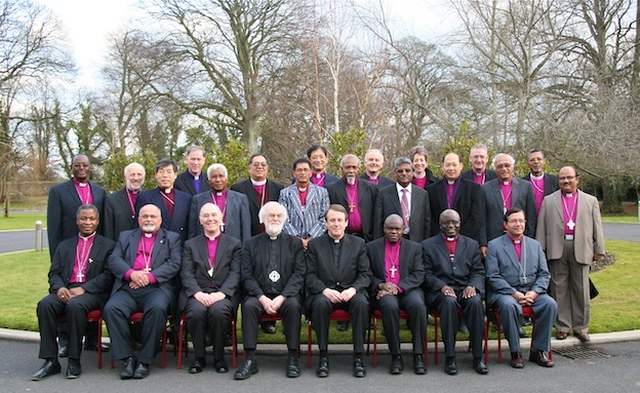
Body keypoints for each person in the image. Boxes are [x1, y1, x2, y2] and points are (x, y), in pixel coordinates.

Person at [31, 204, 115, 381]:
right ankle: (50, 360)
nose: (87, 222)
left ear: (97, 221)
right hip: (66, 289)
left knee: (75, 306)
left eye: (91, 219)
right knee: (45, 305)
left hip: (92, 292)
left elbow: (108, 276)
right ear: (77, 221)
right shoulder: (64, 245)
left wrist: (84, 288)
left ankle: (74, 360)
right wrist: (60, 288)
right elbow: (54, 273)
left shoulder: (108, 246)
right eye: (83, 218)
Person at [103, 204, 182, 379]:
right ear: (138, 220)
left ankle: (145, 361)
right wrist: (131, 274)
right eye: (145, 216)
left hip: (156, 289)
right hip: (129, 287)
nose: (149, 219)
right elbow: (114, 260)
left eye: (153, 216)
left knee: (157, 310)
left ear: (160, 220)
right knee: (111, 309)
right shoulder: (125, 237)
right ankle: (128, 358)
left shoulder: (172, 238)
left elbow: (174, 264)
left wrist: (149, 277)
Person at [234, 202, 305, 380]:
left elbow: (299, 274)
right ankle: (250, 359)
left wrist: (282, 297)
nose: (275, 219)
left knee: (294, 305)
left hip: (285, 294)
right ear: (262, 219)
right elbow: (246, 275)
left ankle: (292, 357)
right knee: (249, 306)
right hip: (259, 294)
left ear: (284, 219)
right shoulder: (250, 244)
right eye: (270, 215)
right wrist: (261, 297)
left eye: (278, 216)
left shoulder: (295, 243)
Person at [46, 154, 107, 356]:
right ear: (71, 168)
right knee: (65, 298)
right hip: (68, 250)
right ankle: (65, 341)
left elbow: (102, 224)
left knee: (87, 296)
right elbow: (54, 227)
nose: (81, 168)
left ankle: (91, 340)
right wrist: (57, 256)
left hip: (93, 252)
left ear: (90, 168)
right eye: (77, 165)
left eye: (85, 165)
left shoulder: (99, 192)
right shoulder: (58, 191)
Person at [536, 166, 604, 342]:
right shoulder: (549, 201)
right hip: (557, 248)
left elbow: (598, 227)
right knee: (559, 289)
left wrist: (599, 250)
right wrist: (540, 249)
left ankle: (581, 327)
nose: (566, 181)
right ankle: (562, 326)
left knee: (581, 289)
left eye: (569, 178)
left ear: (577, 179)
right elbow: (541, 227)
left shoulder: (590, 201)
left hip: (581, 247)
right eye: (562, 178)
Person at [485, 208, 557, 368]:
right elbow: (493, 276)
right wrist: (515, 294)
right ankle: (515, 352)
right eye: (513, 221)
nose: (518, 224)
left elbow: (544, 274)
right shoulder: (495, 245)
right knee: (509, 305)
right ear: (505, 224)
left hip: (532, 292)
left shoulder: (535, 245)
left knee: (550, 304)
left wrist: (535, 292)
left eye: (521, 221)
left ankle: (538, 351)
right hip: (505, 293)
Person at [305, 204, 371, 378]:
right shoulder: (315, 245)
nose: (336, 224)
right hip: (325, 293)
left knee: (361, 303)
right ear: (326, 223)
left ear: (346, 223)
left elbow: (365, 274)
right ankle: (323, 356)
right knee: (319, 304)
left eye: (339, 220)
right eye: (332, 220)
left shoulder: (359, 244)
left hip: (350, 292)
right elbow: (310, 275)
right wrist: (324, 290)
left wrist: (353, 289)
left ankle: (358, 357)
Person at [422, 209, 488, 375]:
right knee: (449, 303)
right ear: (440, 225)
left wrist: (472, 286)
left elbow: (479, 271)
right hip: (440, 292)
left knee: (475, 303)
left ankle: (478, 356)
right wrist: (441, 286)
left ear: (460, 224)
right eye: (447, 222)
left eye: (454, 222)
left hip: (465, 288)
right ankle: (450, 356)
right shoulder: (428, 245)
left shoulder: (472, 244)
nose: (451, 226)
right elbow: (425, 273)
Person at [180, 203, 242, 375]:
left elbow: (236, 273)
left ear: (221, 217)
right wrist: (198, 293)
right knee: (196, 312)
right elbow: (186, 273)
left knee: (218, 312)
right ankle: (199, 357)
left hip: (223, 294)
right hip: (197, 293)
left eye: (214, 215)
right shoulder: (190, 244)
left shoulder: (234, 244)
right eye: (206, 216)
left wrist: (221, 294)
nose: (210, 219)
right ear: (200, 220)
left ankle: (219, 357)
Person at [230, 154, 285, 334]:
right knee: (253, 277)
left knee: (273, 277)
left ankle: (270, 321)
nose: (260, 167)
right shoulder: (238, 188)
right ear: (249, 168)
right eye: (256, 164)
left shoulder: (278, 189)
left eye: (263, 164)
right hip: (251, 241)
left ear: (268, 168)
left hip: (274, 240)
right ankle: (255, 315)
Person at [367, 214, 426, 375]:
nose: (393, 232)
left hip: (407, 289)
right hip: (383, 291)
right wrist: (380, 285)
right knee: (389, 305)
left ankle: (418, 355)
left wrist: (398, 288)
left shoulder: (415, 248)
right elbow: (366, 273)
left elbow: (419, 274)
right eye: (390, 228)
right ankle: (396, 355)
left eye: (397, 229)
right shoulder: (371, 247)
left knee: (418, 305)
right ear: (384, 229)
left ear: (404, 230)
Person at [480, 153, 537, 258]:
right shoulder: (485, 188)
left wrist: (530, 239)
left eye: (507, 165)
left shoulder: (526, 186)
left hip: (520, 237)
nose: (504, 169)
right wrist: (483, 243)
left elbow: (531, 216)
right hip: (494, 238)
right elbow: (481, 218)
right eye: (499, 166)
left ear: (513, 167)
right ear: (495, 169)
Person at [426, 152, 484, 242]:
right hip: (439, 240)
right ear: (442, 167)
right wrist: (441, 235)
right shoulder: (431, 189)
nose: (451, 168)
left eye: (454, 165)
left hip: (466, 240)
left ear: (461, 166)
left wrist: (459, 237)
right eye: (447, 165)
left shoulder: (473, 188)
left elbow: (475, 217)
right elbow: (431, 217)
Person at [188, 163, 251, 242]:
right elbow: (192, 230)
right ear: (209, 181)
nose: (218, 180)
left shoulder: (240, 199)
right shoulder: (198, 200)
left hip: (234, 248)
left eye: (221, 176)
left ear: (226, 179)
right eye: (214, 177)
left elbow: (246, 230)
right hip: (205, 246)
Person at [374, 157, 431, 242]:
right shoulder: (383, 194)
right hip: (390, 242)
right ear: (395, 173)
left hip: (416, 242)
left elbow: (427, 223)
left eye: (407, 170)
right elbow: (378, 222)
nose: (404, 174)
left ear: (412, 172)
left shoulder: (422, 194)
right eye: (400, 171)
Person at [279, 158, 330, 251]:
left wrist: (311, 238)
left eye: (305, 170)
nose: (302, 173)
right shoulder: (285, 193)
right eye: (299, 170)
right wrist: (298, 239)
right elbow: (283, 218)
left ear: (311, 173)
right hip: (292, 243)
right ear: (294, 173)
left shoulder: (322, 192)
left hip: (316, 242)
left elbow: (325, 217)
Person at [136, 158, 192, 243]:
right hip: (154, 245)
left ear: (175, 175)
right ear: (156, 175)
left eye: (169, 171)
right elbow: (138, 225)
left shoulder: (186, 198)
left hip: (179, 245)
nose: (165, 175)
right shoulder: (145, 197)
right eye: (161, 172)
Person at [326, 154, 378, 242]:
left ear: (359, 169)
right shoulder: (331, 189)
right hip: (342, 237)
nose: (351, 171)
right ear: (342, 169)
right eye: (348, 167)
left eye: (354, 167)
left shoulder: (371, 188)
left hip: (366, 237)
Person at [104, 162, 146, 241]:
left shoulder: (149, 198)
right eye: (132, 174)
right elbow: (108, 230)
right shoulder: (112, 199)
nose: (136, 178)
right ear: (125, 177)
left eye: (139, 174)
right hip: (120, 247)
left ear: (143, 177)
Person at [522, 149, 559, 215]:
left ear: (544, 161)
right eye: (532, 160)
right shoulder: (521, 183)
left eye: (539, 159)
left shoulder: (554, 181)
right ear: (527, 163)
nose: (536, 162)